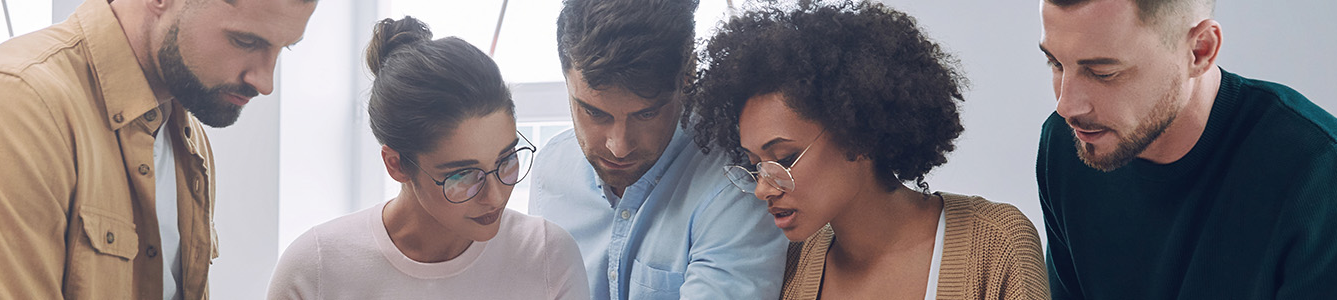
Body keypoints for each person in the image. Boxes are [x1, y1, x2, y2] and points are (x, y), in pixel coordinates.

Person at [0, 0, 316, 298]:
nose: (265, 81)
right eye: (246, 41)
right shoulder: (12, 105)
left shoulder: (186, 134)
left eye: (284, 48)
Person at [1035, 0, 1337, 298]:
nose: (1067, 106)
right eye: (1055, 62)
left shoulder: (1323, 173)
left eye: (1103, 72)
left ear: (1200, 50)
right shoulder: (1068, 146)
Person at [688, 1, 1046, 299]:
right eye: (754, 166)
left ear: (854, 133)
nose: (763, 188)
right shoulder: (792, 264)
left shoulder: (995, 244)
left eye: (784, 159)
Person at [266, 17, 588, 299]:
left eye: (506, 160)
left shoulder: (547, 255)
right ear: (397, 164)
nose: (496, 196)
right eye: (463, 175)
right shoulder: (317, 266)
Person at [526, 0, 789, 298]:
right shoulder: (551, 170)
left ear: (687, 76)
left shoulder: (736, 187)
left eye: (646, 114)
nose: (619, 147)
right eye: (595, 114)